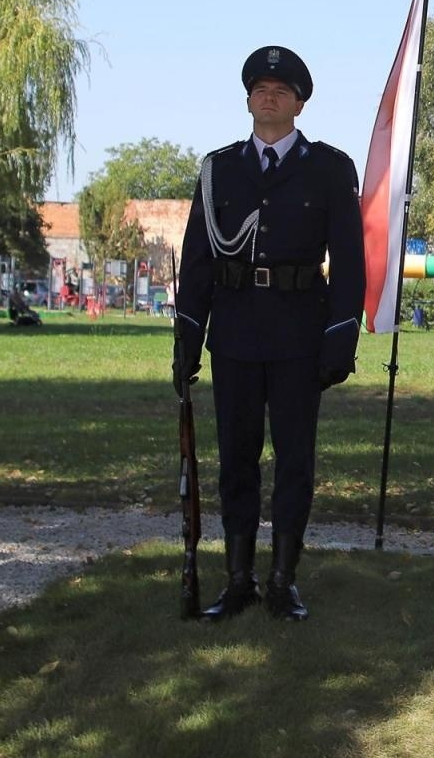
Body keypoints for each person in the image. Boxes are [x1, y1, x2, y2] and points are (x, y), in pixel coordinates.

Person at [173, 46, 366, 623]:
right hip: (234, 332)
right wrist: (187, 337)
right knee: (236, 458)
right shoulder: (218, 169)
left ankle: (283, 581)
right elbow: (198, 260)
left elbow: (350, 264)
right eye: (260, 89)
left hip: (299, 334)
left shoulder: (329, 168)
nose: (270, 97)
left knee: (294, 460)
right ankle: (239, 581)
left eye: (281, 91)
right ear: (248, 100)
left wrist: (340, 339)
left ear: (299, 104)